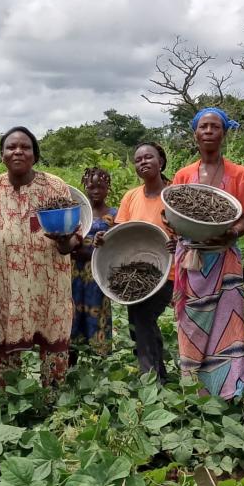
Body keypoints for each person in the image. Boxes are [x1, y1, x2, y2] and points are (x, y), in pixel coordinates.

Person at [0, 127, 81, 387]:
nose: (18, 152)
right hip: (6, 287)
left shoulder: (55, 187)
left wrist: (64, 240)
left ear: (35, 154)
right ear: (1, 155)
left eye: (25, 147)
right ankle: (10, 400)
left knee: (54, 341)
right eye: (11, 147)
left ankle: (52, 401)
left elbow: (70, 242)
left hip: (51, 286)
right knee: (6, 343)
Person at [169, 107, 244, 400]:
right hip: (192, 261)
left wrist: (231, 232)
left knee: (227, 325)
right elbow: (170, 211)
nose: (208, 132)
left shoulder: (238, 174)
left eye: (215, 127)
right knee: (191, 325)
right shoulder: (183, 175)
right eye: (203, 127)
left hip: (224, 258)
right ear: (195, 134)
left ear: (224, 133)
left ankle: (229, 392)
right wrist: (170, 220)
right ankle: (195, 391)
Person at [96, 142, 174, 381]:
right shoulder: (131, 196)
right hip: (136, 271)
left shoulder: (174, 193)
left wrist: (177, 242)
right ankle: (158, 374)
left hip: (167, 271)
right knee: (141, 323)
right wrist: (103, 238)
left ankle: (150, 378)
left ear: (161, 161)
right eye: (138, 160)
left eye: (148, 157)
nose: (143, 163)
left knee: (142, 320)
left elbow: (187, 228)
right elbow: (120, 231)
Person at [69, 167, 116, 366]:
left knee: (98, 314)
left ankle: (100, 367)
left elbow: (119, 244)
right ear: (85, 188)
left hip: (97, 274)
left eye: (101, 186)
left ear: (108, 188)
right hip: (74, 273)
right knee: (72, 314)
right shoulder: (77, 213)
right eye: (91, 186)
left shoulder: (115, 214)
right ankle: (70, 363)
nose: (96, 190)